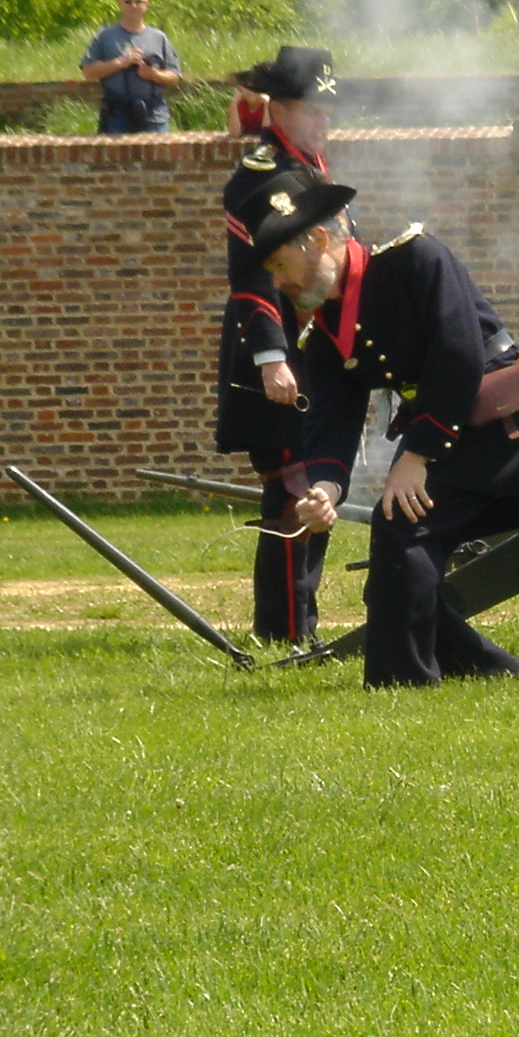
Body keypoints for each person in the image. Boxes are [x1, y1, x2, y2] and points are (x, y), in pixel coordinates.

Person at [274, 190, 519, 686]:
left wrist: (415, 455)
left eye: (280, 263)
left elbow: (458, 356)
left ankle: (403, 681)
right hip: (449, 439)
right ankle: (490, 670)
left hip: (505, 428)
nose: (277, 281)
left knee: (401, 528)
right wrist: (325, 490)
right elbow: (331, 421)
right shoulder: (325, 331)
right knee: (394, 564)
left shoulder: (416, 258)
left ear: (317, 239)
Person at [217, 45, 341, 643]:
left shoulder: (310, 168)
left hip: (316, 351)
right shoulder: (262, 176)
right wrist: (273, 357)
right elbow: (254, 276)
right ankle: (289, 632)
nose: (325, 121)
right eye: (315, 110)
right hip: (279, 356)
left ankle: (292, 627)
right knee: (294, 491)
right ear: (283, 109)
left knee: (312, 484)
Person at [81, 0, 182, 134]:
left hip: (154, 117)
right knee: (114, 158)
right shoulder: (105, 36)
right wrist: (121, 62)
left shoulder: (159, 38)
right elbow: (88, 72)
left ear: (146, 5)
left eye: (138, 1)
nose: (133, 6)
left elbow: (175, 76)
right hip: (116, 117)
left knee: (158, 158)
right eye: (128, 2)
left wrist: (154, 75)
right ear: (119, 4)